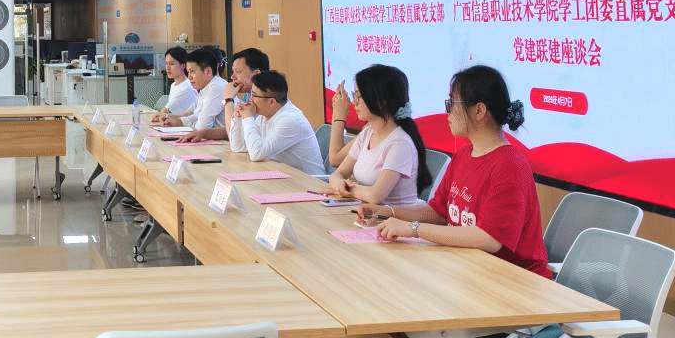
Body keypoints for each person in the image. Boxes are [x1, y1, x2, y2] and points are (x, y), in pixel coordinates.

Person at [360, 65, 552, 278]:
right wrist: (386, 212)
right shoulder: (462, 155)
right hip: (470, 269)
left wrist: (413, 228)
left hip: (513, 279)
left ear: (479, 111)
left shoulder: (510, 165)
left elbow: (489, 239)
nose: (448, 112)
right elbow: (438, 213)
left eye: (452, 104)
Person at [325, 64, 429, 205]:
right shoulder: (367, 133)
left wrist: (347, 188)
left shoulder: (400, 143)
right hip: (364, 211)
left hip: (389, 217)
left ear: (381, 101)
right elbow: (338, 174)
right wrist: (339, 183)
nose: (354, 102)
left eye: (359, 96)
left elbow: (375, 196)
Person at [227, 70, 325, 174]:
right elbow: (239, 147)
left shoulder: (289, 120)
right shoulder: (265, 114)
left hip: (308, 181)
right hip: (284, 176)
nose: (251, 100)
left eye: (254, 95)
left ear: (272, 102)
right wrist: (238, 118)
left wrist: (247, 118)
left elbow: (256, 154)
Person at [176, 47, 266, 142]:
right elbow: (234, 130)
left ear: (256, 74)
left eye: (238, 72)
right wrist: (202, 133)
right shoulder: (249, 97)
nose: (232, 77)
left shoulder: (266, 101)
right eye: (233, 72)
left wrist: (228, 99)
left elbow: (234, 135)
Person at [158, 47, 228, 132]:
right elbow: (196, 115)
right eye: (188, 72)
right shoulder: (205, 88)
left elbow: (202, 127)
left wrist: (179, 122)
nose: (189, 77)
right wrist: (178, 122)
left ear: (208, 71)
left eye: (192, 71)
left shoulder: (216, 87)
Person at [150, 46, 196, 124]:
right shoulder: (174, 85)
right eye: (166, 63)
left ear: (183, 65)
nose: (167, 68)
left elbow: (166, 110)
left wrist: (162, 114)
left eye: (172, 64)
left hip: (185, 126)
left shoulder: (187, 86)